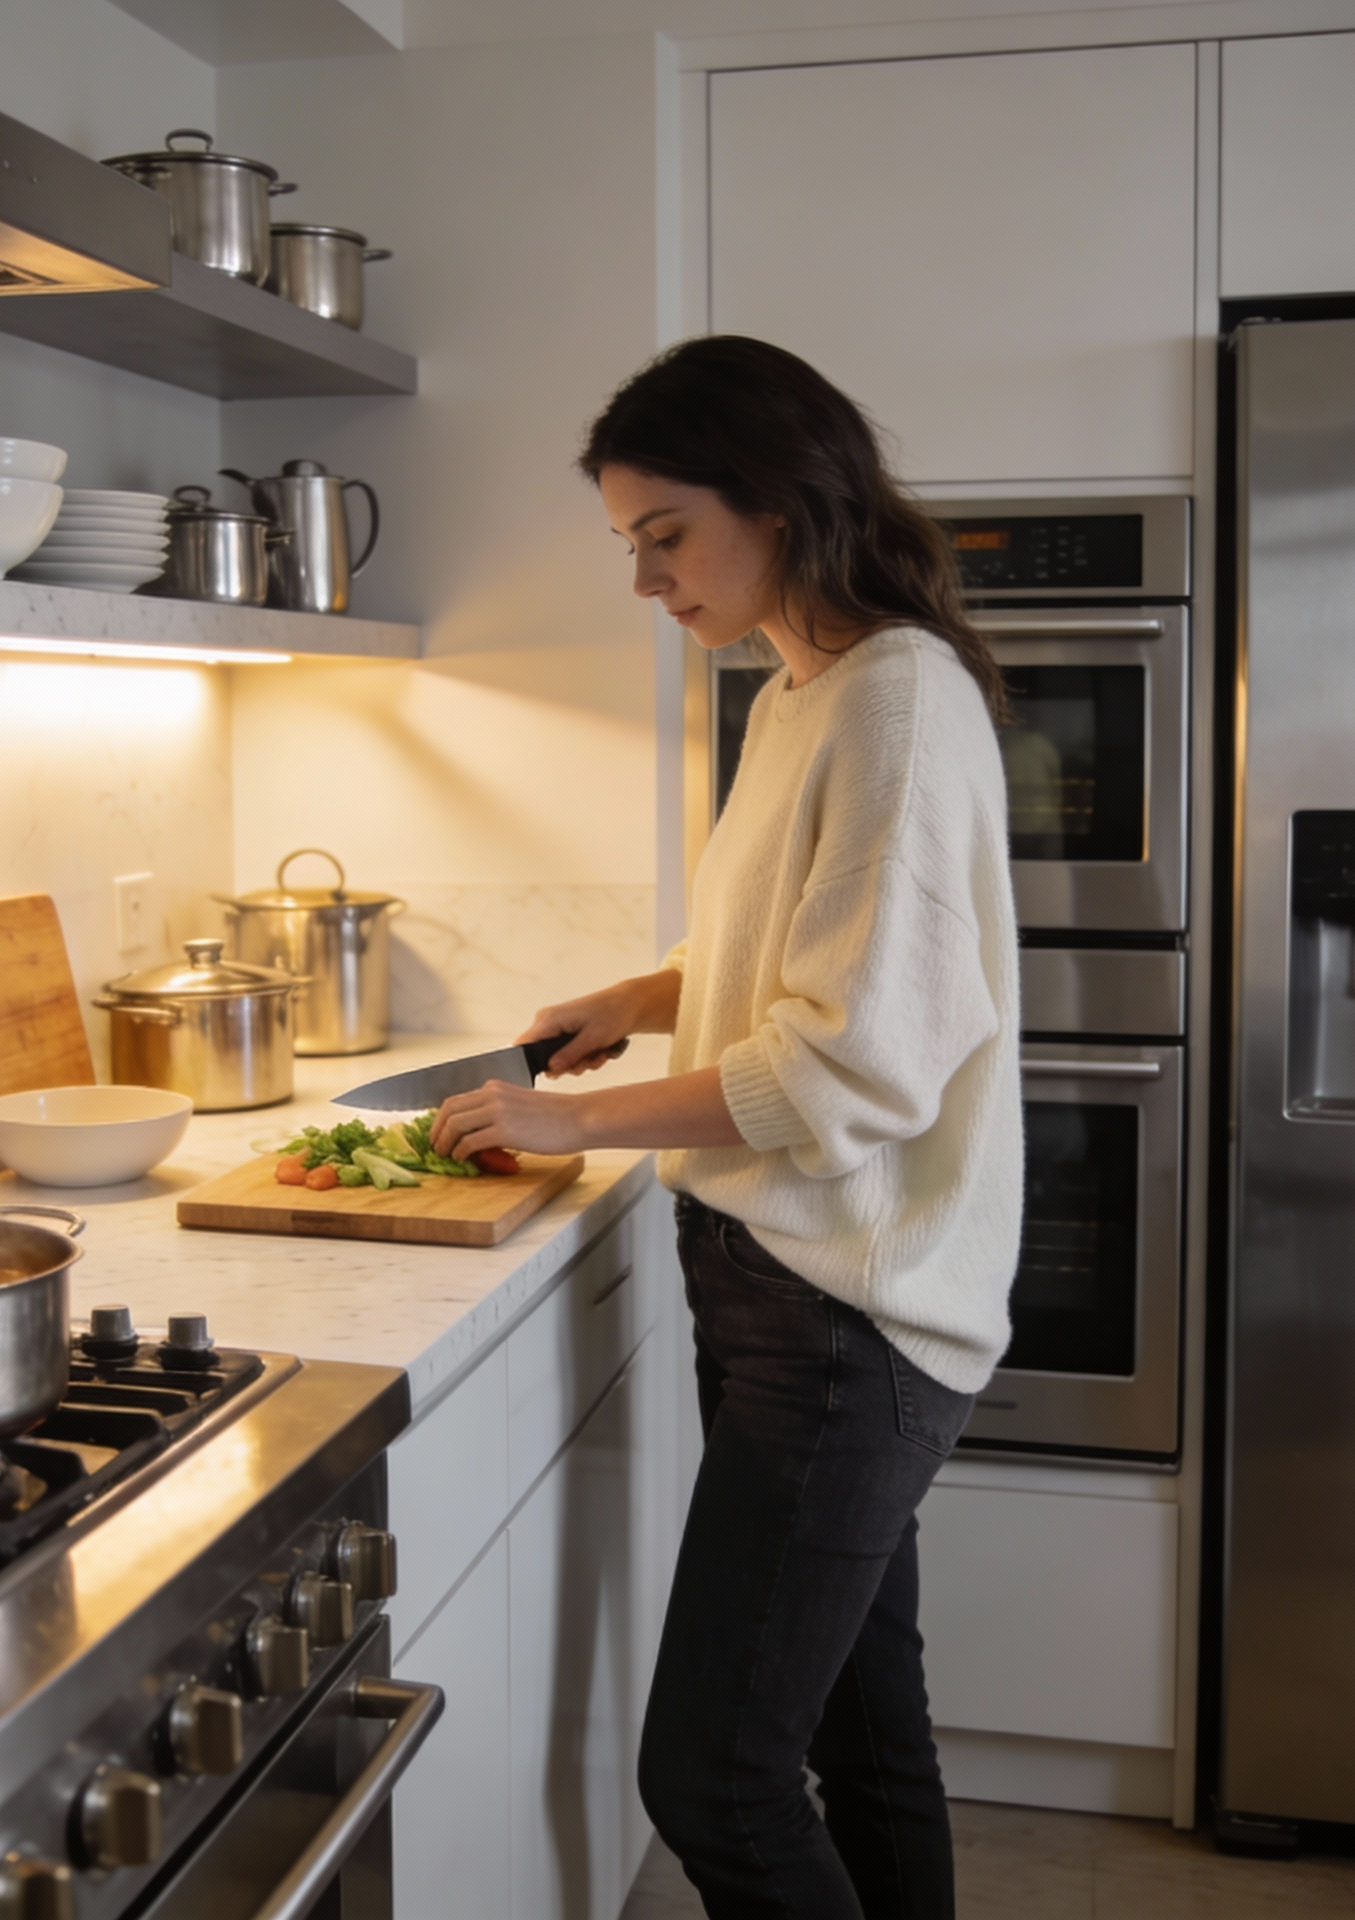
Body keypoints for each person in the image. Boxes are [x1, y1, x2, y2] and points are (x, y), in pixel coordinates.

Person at [429, 334, 1022, 1919]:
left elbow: (846, 1065)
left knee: (711, 1776)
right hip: (803, 1292)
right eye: (629, 544)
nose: (644, 581)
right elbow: (779, 956)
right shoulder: (804, 690)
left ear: (779, 498)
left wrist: (576, 1124)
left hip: (845, 1318)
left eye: (664, 535)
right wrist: (641, 994)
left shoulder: (892, 703)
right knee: (859, 1725)